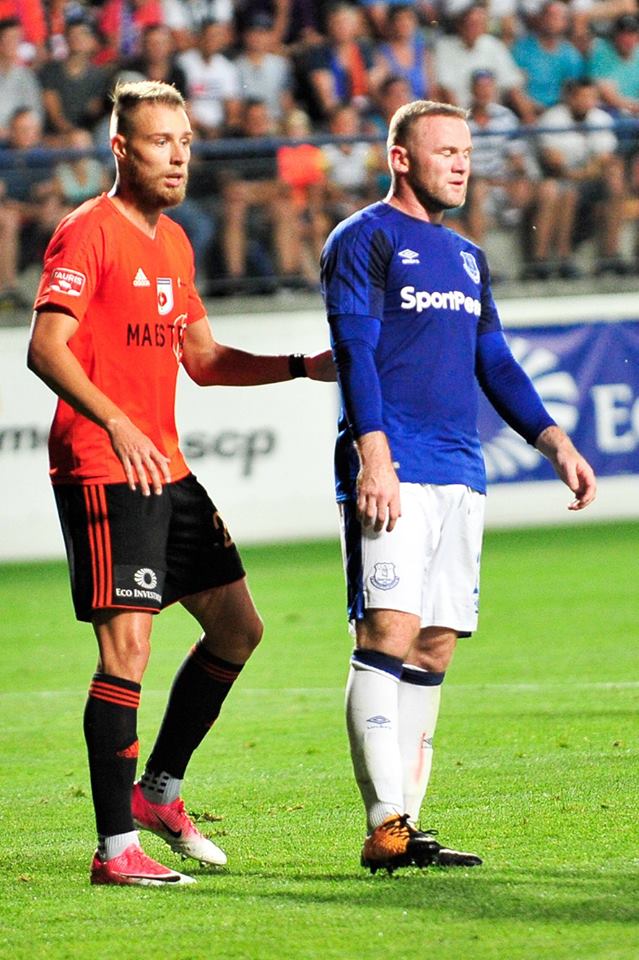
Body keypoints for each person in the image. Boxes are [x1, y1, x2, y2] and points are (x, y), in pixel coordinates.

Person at [26, 79, 334, 887]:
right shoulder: (87, 232)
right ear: (121, 149)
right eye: (161, 141)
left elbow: (201, 359)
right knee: (127, 648)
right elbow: (45, 348)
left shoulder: (174, 243)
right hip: (104, 465)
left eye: (186, 142)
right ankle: (114, 849)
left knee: (238, 629)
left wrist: (299, 367)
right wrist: (114, 419)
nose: (178, 157)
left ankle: (158, 791)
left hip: (165, 465)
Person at [319, 98, 596, 875]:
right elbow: (354, 350)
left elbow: (495, 361)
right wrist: (373, 454)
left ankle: (407, 827)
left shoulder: (468, 256)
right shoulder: (363, 238)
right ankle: (383, 823)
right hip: (394, 465)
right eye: (444, 150)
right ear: (400, 158)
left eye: (466, 152)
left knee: (435, 643)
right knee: (387, 633)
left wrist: (552, 440)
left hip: (460, 471)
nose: (460, 163)